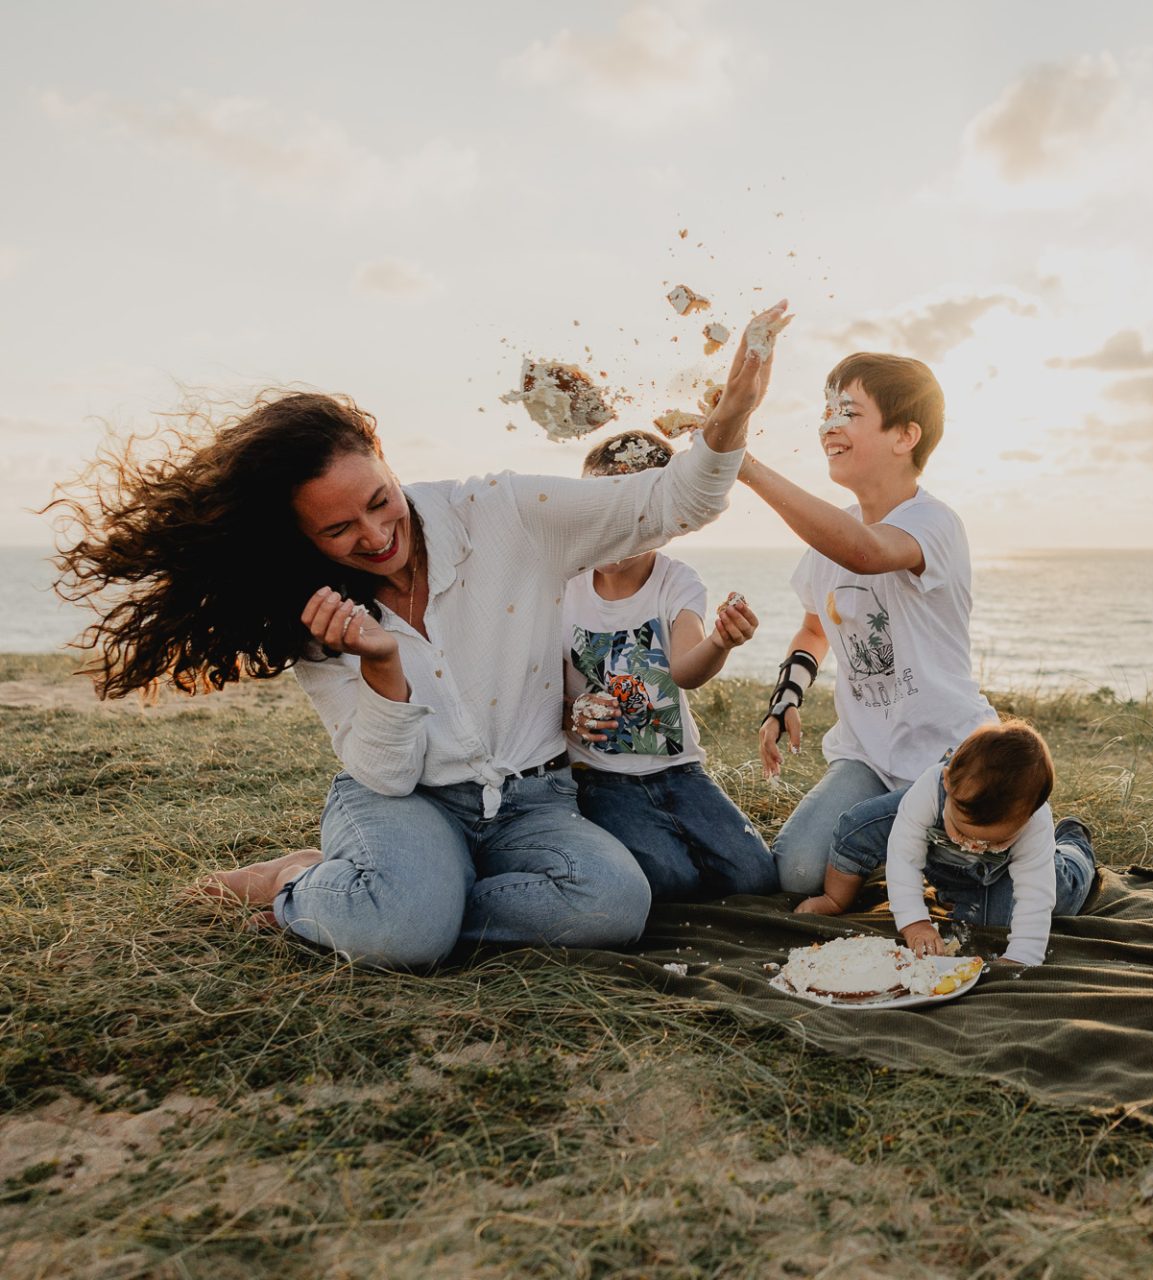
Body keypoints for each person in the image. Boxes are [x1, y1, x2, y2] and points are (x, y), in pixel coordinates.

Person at [49, 303, 788, 968]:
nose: (375, 537)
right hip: (406, 803)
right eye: (339, 529)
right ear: (302, 535)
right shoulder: (311, 608)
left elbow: (675, 499)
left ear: (382, 450)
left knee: (614, 904)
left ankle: (404, 901)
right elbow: (385, 774)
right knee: (406, 929)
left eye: (379, 501)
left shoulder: (504, 512)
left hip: (534, 805)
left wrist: (731, 419)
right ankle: (298, 883)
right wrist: (382, 671)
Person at [736, 353, 998, 895]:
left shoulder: (933, 522)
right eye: (826, 410)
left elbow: (865, 552)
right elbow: (815, 629)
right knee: (799, 874)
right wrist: (785, 699)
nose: (829, 424)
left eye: (849, 412)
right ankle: (897, 842)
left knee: (975, 892)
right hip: (868, 757)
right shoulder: (835, 532)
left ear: (905, 436)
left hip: (949, 756)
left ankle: (1060, 842)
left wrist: (747, 465)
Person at [562, 429, 778, 903]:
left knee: (756, 879)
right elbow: (548, 695)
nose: (614, 529)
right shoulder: (563, 585)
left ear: (667, 520)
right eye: (600, 511)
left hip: (681, 772)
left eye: (634, 515)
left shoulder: (676, 582)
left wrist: (721, 642)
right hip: (600, 777)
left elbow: (684, 670)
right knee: (671, 880)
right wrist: (575, 710)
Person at [802, 718, 1097, 965]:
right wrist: (914, 921)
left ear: (1029, 817)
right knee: (860, 825)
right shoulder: (930, 791)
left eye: (992, 842)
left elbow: (1035, 896)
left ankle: (1075, 842)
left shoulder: (1034, 826)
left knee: (1044, 900)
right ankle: (837, 897)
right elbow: (904, 856)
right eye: (962, 830)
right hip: (943, 859)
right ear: (947, 782)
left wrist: (1022, 956)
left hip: (1008, 871)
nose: (974, 846)